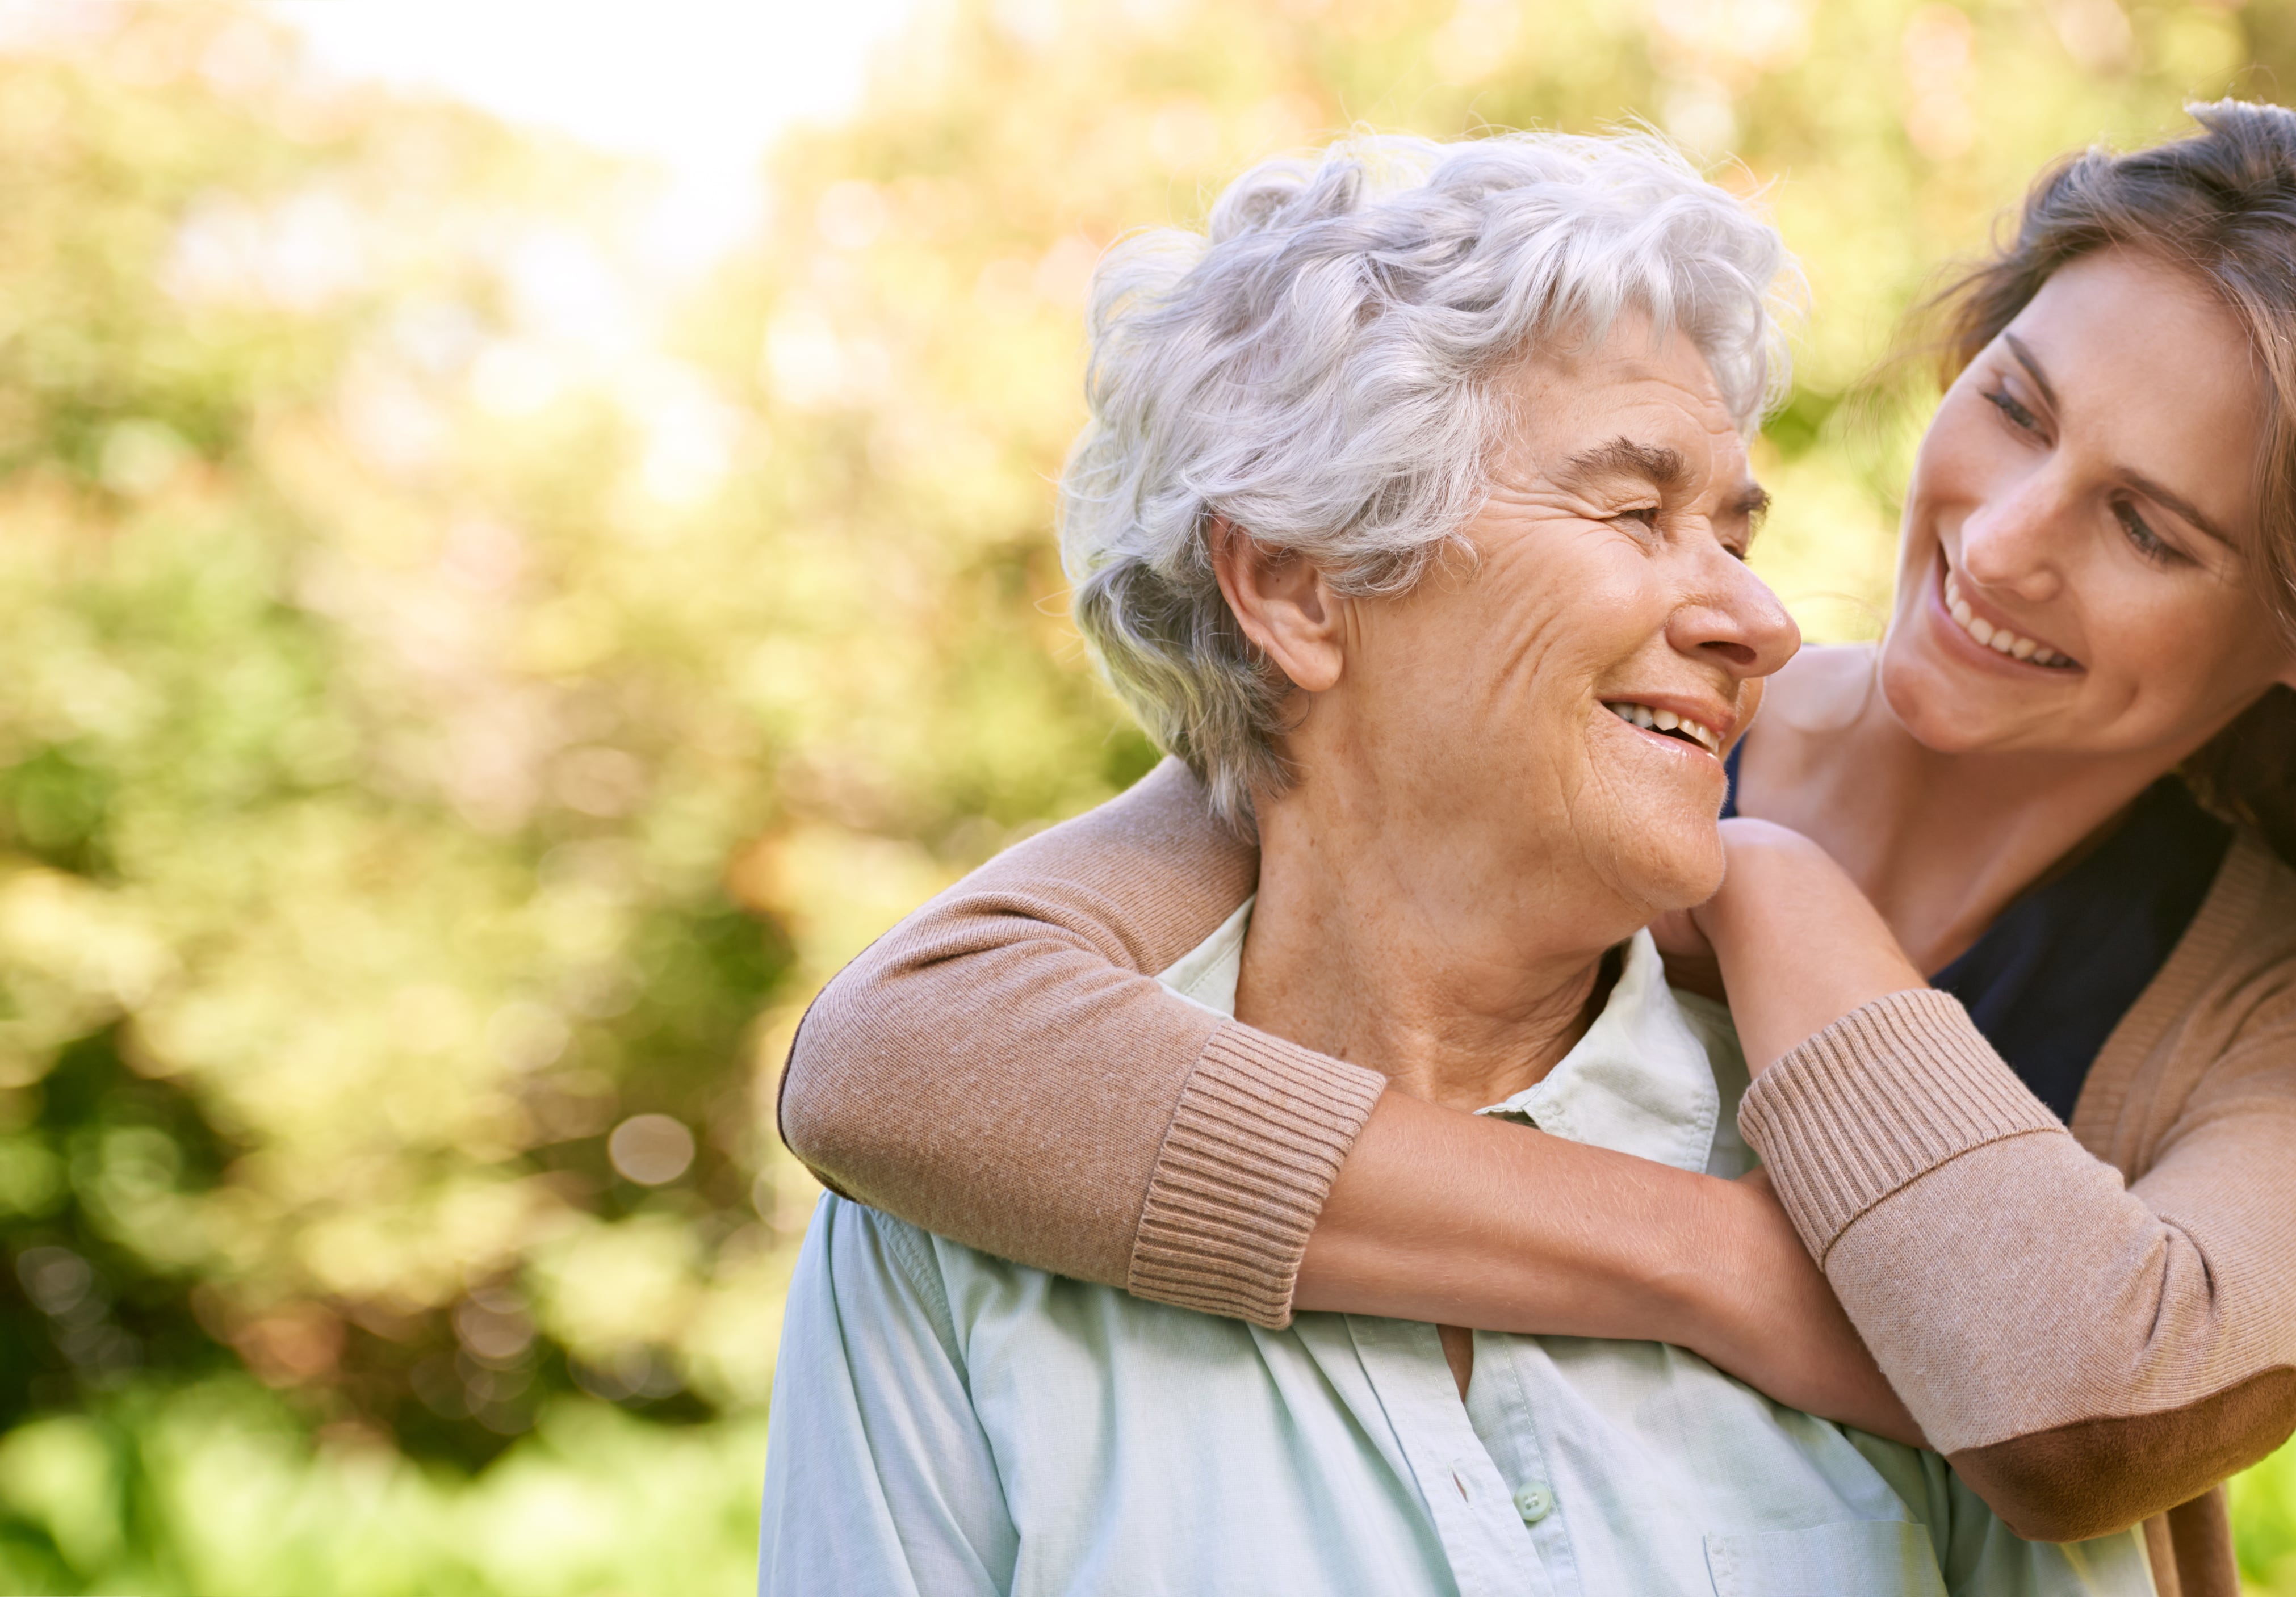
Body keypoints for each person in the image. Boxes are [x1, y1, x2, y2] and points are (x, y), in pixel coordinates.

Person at [777, 105, 2296, 1595]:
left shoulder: (2295, 1009)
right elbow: (905, 1057)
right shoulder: (1576, 718)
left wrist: (1774, 885)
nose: (1998, 544)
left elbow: (2094, 1406)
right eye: (2014, 407)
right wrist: (1733, 1271)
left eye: (2154, 529)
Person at [759, 131, 2156, 1596]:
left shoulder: (1898, 1224)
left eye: (1739, 529)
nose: (1764, 618)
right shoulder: (947, 1246)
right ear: (1299, 585)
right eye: (1636, 512)